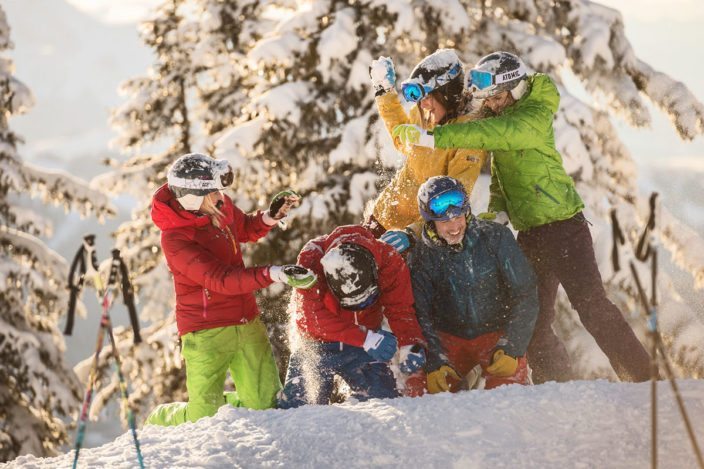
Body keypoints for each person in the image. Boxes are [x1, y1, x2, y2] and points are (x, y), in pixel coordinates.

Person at [393, 51, 651, 383]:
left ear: (515, 89)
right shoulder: (503, 119)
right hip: (531, 235)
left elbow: (497, 133)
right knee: (534, 322)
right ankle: (557, 387)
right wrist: (496, 212)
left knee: (592, 308)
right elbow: (501, 175)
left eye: (499, 97)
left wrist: (433, 138)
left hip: (564, 228)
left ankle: (644, 379)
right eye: (491, 99)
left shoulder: (532, 116)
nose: (495, 104)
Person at [145, 153, 317, 426]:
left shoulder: (217, 207)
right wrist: (274, 273)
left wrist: (270, 217)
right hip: (206, 331)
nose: (220, 196)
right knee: (203, 417)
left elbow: (244, 228)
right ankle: (163, 418)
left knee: (265, 406)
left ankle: (233, 408)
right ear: (192, 197)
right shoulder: (176, 238)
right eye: (213, 191)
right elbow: (220, 280)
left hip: (246, 319)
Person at [407, 176, 538, 392]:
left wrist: (513, 346)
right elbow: (419, 312)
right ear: (430, 222)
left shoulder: (496, 238)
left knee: (509, 396)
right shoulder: (422, 255)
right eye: (445, 221)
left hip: (496, 337)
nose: (454, 227)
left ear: (466, 212)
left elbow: (525, 292)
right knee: (423, 393)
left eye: (458, 217)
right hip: (446, 340)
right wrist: (434, 360)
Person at [278, 225, 427, 408]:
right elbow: (310, 317)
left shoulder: (388, 259)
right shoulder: (312, 259)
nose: (358, 308)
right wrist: (365, 338)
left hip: (365, 348)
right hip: (315, 345)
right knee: (297, 411)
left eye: (366, 300)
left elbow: (400, 309)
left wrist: (410, 342)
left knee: (385, 404)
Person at [366, 48, 486, 241]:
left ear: (448, 94)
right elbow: (402, 139)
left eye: (428, 97)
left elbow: (455, 201)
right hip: (383, 218)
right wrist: (384, 92)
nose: (423, 105)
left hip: (417, 236)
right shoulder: (426, 115)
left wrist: (413, 232)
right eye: (420, 99)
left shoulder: (468, 137)